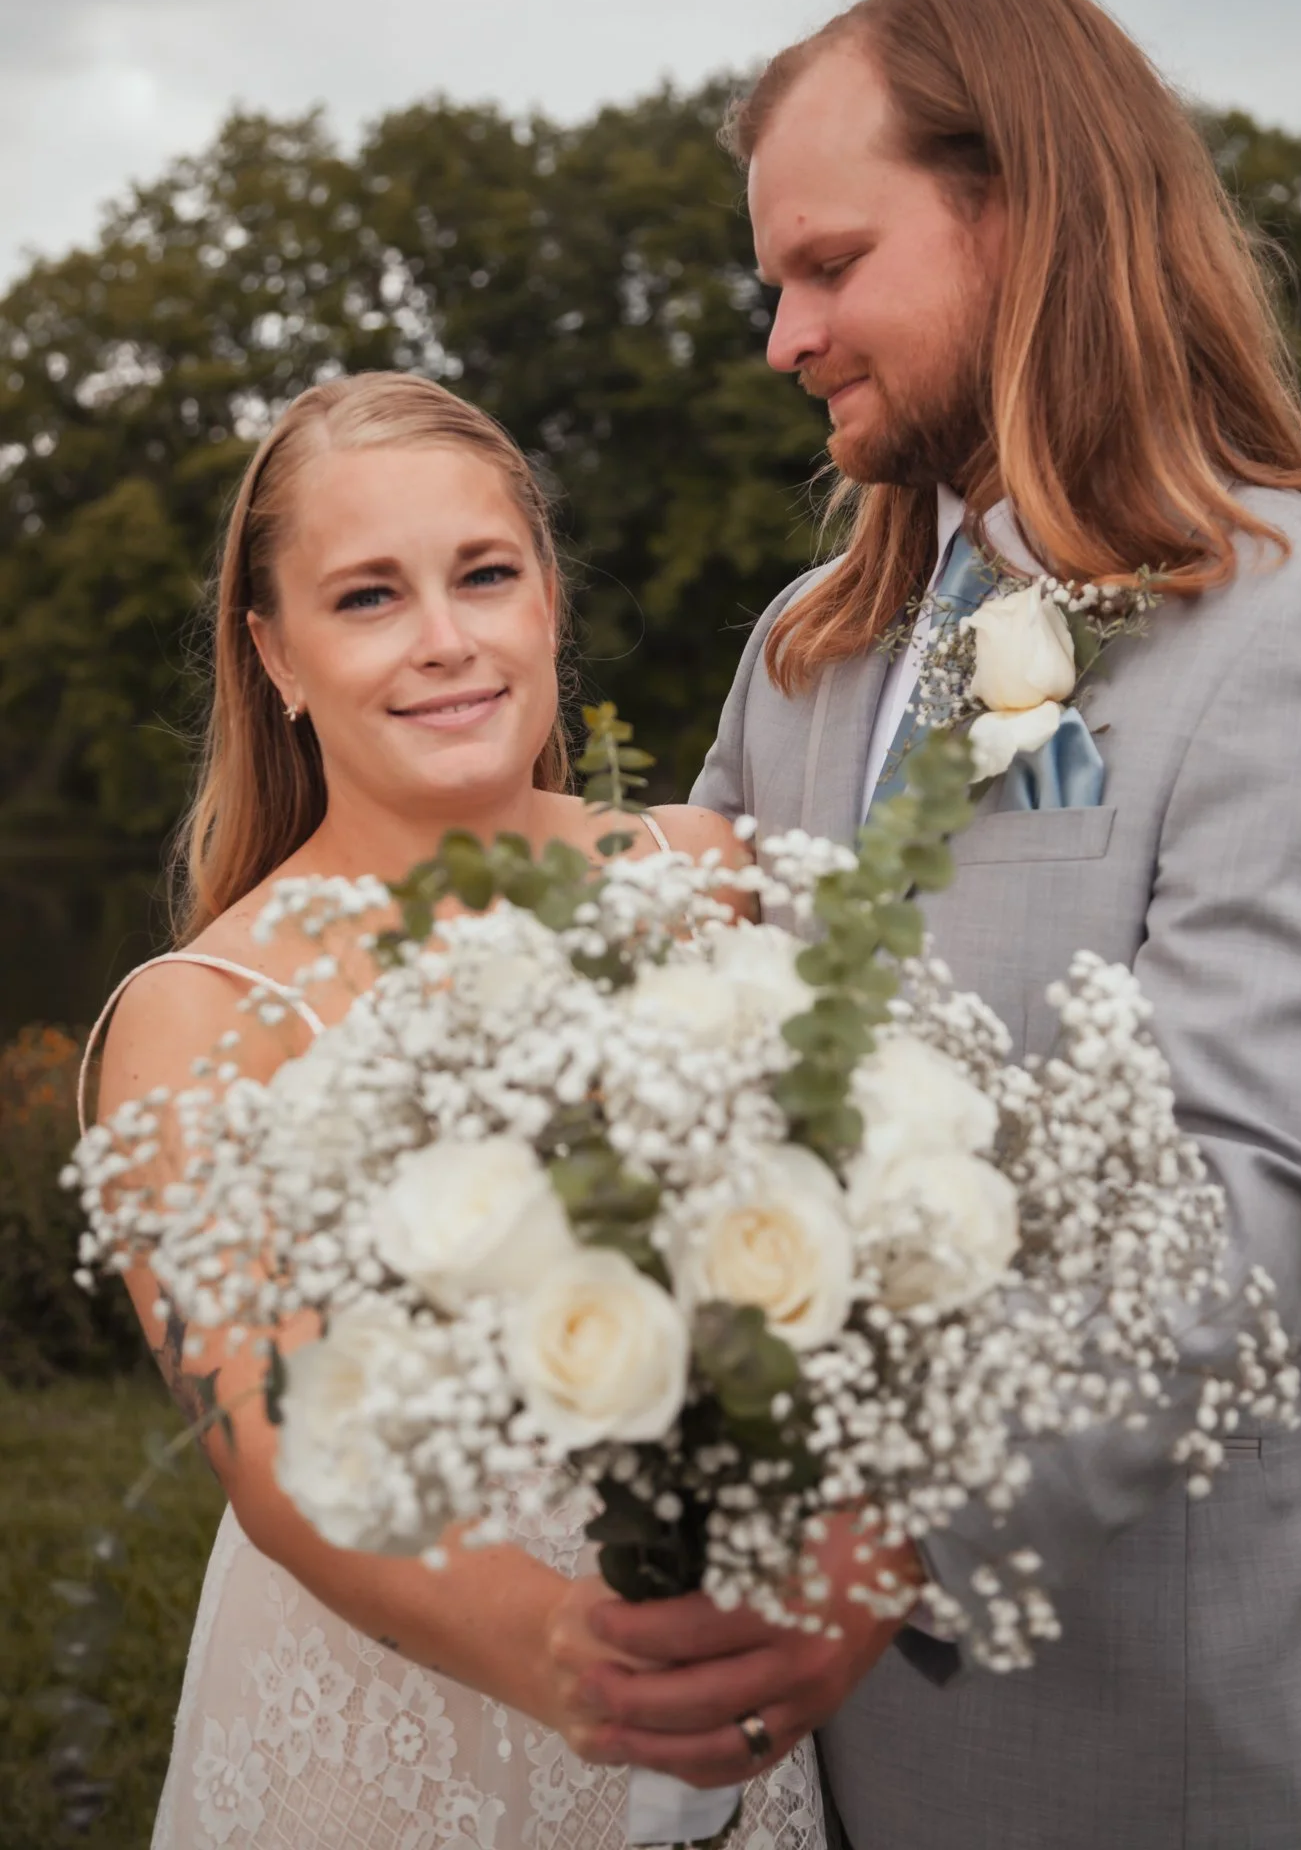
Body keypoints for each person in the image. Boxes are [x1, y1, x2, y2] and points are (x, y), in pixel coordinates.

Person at [577, 0, 1301, 1848]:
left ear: (1027, 214)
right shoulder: (808, 655)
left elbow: (1249, 1193)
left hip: (1174, 1748)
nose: (786, 338)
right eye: (772, 284)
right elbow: (678, 1035)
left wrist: (888, 1545)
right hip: (823, 1769)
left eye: (829, 266)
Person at [86, 372, 824, 1850]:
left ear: (549, 598)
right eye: (368, 597)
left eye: (484, 574)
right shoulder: (199, 1014)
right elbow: (278, 1456)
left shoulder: (712, 878)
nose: (445, 639)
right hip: (379, 1761)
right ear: (274, 654)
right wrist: (588, 1659)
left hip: (739, 1726)